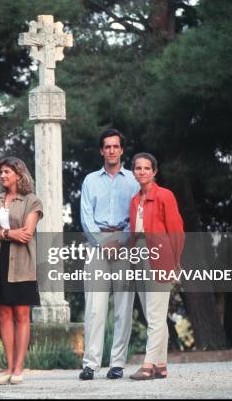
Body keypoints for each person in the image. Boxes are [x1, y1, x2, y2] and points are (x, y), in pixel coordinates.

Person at [79, 129, 140, 380]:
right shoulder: (90, 180)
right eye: (107, 147)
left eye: (116, 146)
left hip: (125, 246)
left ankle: (117, 363)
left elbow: (138, 216)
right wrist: (103, 243)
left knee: (123, 307)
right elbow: (86, 216)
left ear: (122, 150)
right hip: (97, 247)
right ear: (101, 151)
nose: (112, 150)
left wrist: (122, 239)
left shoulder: (134, 181)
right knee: (94, 307)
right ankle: (90, 364)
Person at [0, 157, 43, 385]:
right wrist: (8, 234)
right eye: (1, 172)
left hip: (22, 265)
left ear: (19, 174)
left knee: (21, 315)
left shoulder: (32, 201)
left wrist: (0, 231)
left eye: (7, 171)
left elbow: (26, 233)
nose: (2, 176)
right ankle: (7, 367)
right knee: (4, 315)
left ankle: (19, 368)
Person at [128, 152, 185, 380]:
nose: (142, 172)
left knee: (154, 313)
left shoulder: (165, 196)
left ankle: (148, 365)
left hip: (160, 256)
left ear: (155, 172)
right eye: (138, 168)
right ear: (133, 172)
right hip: (139, 256)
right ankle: (161, 365)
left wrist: (175, 260)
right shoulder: (134, 200)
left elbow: (177, 231)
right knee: (154, 315)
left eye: (146, 168)